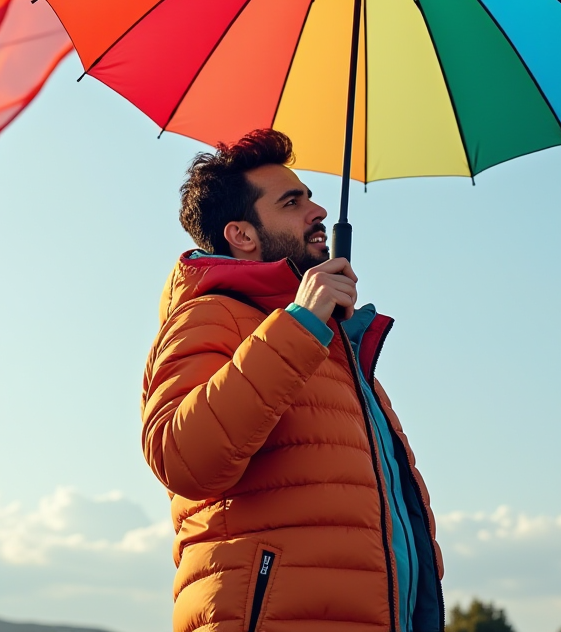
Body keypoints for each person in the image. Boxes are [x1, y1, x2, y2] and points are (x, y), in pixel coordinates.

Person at [141, 129, 444, 632]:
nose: (318, 210)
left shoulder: (332, 343)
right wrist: (302, 319)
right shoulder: (210, 315)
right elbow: (181, 456)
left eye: (310, 196)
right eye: (292, 201)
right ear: (242, 235)